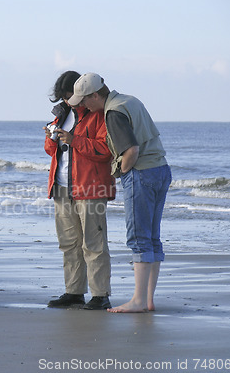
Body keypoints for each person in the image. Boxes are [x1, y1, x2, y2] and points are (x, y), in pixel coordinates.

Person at [68, 73, 172, 313]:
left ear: (96, 95)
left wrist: (122, 172)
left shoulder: (113, 112)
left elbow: (131, 150)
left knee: (138, 238)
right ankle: (147, 299)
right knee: (152, 238)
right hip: (161, 170)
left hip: (141, 173)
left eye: (84, 100)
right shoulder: (130, 100)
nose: (83, 106)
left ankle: (137, 301)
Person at [43, 71, 115, 310]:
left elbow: (105, 150)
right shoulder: (61, 115)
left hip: (91, 187)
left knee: (94, 243)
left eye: (68, 96)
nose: (66, 101)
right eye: (62, 98)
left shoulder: (98, 115)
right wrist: (52, 138)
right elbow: (50, 151)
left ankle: (100, 294)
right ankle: (74, 291)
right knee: (69, 242)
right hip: (62, 187)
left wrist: (74, 140)